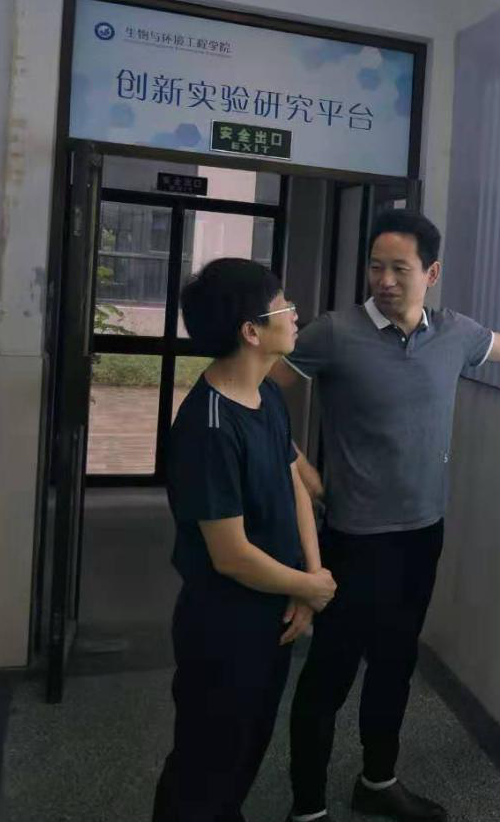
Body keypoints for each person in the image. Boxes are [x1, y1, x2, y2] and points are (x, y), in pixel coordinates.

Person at [274, 211, 500, 822]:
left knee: (395, 664)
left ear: (432, 273)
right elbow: (259, 387)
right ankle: (306, 808)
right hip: (354, 538)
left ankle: (377, 781)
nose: (384, 280)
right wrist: (299, 469)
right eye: (376, 267)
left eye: (400, 268)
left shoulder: (454, 334)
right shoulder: (334, 334)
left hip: (422, 534)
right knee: (328, 676)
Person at [151, 258, 337, 822]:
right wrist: (308, 586)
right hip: (224, 626)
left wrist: (308, 579)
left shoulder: (266, 396)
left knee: (246, 750)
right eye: (284, 305)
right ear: (251, 331)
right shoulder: (208, 427)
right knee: (205, 765)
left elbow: (294, 481)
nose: (296, 313)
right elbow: (230, 555)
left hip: (272, 613)